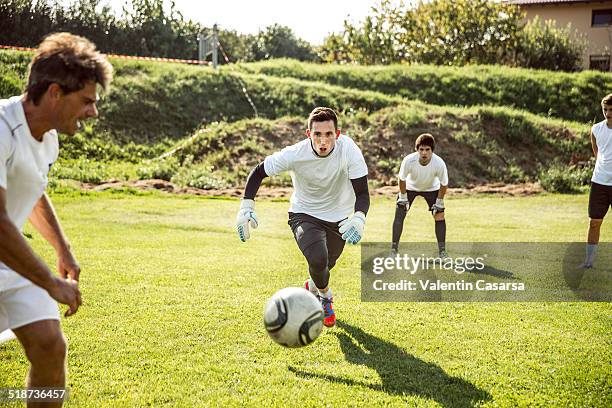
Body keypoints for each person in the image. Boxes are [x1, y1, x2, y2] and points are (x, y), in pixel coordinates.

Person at [0, 32, 112, 406]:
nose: (93, 111)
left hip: (8, 262)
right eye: (86, 101)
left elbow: (32, 188)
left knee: (50, 345)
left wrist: (62, 249)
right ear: (54, 93)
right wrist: (49, 281)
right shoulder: (1, 128)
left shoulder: (48, 139)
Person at [235, 107, 370, 327]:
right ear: (308, 134)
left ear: (338, 134)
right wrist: (246, 206)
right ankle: (325, 299)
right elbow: (259, 171)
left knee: (325, 265)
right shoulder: (295, 153)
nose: (323, 140)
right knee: (317, 258)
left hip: (339, 219)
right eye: (317, 134)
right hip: (304, 213)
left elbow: (363, 193)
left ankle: (313, 287)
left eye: (328, 134)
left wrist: (359, 218)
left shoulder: (349, 150)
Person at [391, 133, 448, 258]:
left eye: (427, 149)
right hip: (410, 188)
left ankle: (442, 252)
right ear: (417, 150)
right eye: (421, 149)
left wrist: (439, 201)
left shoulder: (439, 163)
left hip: (432, 189)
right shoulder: (409, 160)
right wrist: (403, 197)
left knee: (439, 216)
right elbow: (402, 179)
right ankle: (394, 250)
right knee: (399, 214)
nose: (424, 153)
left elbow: (444, 183)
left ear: (432, 150)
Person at [581, 93, 612, 268]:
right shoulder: (596, 129)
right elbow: (597, 153)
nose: (608, 113)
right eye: (605, 110)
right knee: (594, 223)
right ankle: (588, 262)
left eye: (611, 110)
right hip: (599, 183)